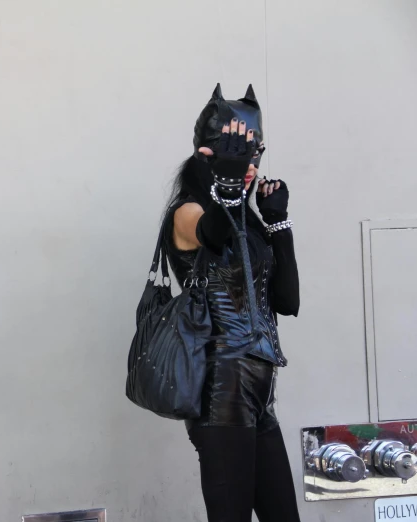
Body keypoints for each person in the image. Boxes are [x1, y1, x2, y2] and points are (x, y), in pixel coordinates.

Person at [165, 84, 301, 521]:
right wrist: (226, 188)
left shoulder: (246, 218)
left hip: (261, 394)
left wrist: (278, 224)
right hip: (221, 391)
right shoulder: (188, 212)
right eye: (239, 152)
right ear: (208, 155)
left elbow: (288, 300)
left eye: (255, 152)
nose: (249, 165)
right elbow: (211, 234)